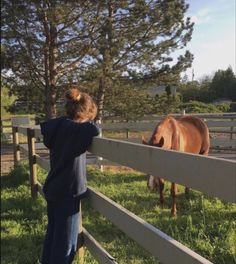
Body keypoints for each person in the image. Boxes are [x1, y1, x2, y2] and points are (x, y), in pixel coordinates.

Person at [40, 87, 99, 264]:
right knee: (66, 244)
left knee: (53, 234)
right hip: (67, 193)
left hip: (53, 188)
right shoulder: (77, 130)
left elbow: (52, 124)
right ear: (84, 115)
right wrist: (85, 120)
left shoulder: (57, 127)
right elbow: (94, 130)